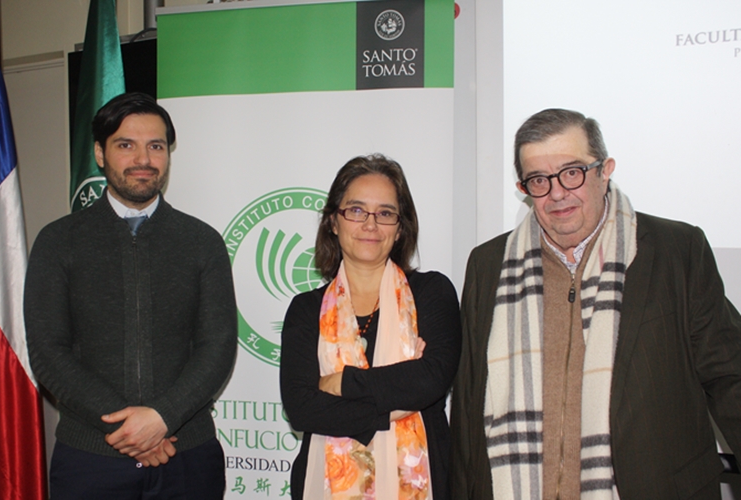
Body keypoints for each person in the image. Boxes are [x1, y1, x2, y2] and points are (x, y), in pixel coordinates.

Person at [450, 108, 741, 499]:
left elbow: (729, 376)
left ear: (605, 171)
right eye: (539, 179)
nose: (556, 193)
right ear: (524, 188)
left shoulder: (676, 251)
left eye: (572, 172)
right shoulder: (489, 265)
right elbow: (469, 404)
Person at [24, 92, 237, 499]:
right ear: (100, 154)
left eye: (155, 146)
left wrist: (162, 418)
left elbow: (218, 346)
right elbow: (49, 353)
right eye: (126, 145)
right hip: (89, 460)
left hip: (187, 457)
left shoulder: (201, 241)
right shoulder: (58, 241)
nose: (144, 159)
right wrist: (129, 430)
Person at [280, 154, 461, 499]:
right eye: (357, 210)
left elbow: (432, 379)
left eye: (385, 213)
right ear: (334, 221)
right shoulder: (306, 310)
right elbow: (302, 408)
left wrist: (341, 382)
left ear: (401, 227)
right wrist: (397, 394)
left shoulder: (432, 293)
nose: (371, 224)